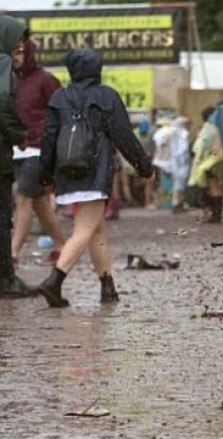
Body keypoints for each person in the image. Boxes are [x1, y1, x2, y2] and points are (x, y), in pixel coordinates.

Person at [34, 48, 154, 307]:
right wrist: (144, 167)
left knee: (96, 227)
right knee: (84, 230)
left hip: (66, 172)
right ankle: (54, 281)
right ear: (97, 67)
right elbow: (124, 137)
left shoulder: (59, 97)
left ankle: (107, 286)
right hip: (95, 172)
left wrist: (44, 175)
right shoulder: (106, 96)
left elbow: (49, 139)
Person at [10, 35, 66, 265]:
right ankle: (62, 247)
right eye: (13, 53)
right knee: (40, 203)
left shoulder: (45, 80)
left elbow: (60, 112)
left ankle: (11, 254)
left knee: (23, 198)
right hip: (16, 149)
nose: (16, 58)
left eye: (20, 52)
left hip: (38, 149)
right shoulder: (11, 80)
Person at [0, 15, 31, 297]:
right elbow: (2, 103)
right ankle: (6, 281)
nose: (21, 44)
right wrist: (19, 135)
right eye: (18, 38)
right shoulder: (2, 64)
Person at [188, 105, 223, 223]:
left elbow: (198, 147)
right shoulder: (220, 127)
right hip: (220, 162)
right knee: (218, 188)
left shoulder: (209, 129)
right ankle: (216, 214)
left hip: (209, 162)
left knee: (213, 188)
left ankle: (215, 216)